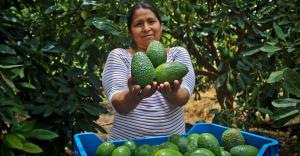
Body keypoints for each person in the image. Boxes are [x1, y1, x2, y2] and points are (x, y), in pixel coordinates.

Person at [102, 1, 195, 141]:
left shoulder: (177, 54)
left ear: (161, 26)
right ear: (130, 31)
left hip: (172, 145)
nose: (146, 28)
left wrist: (171, 93)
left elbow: (183, 97)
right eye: (138, 24)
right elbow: (118, 104)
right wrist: (135, 96)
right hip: (127, 146)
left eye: (151, 21)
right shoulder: (119, 56)